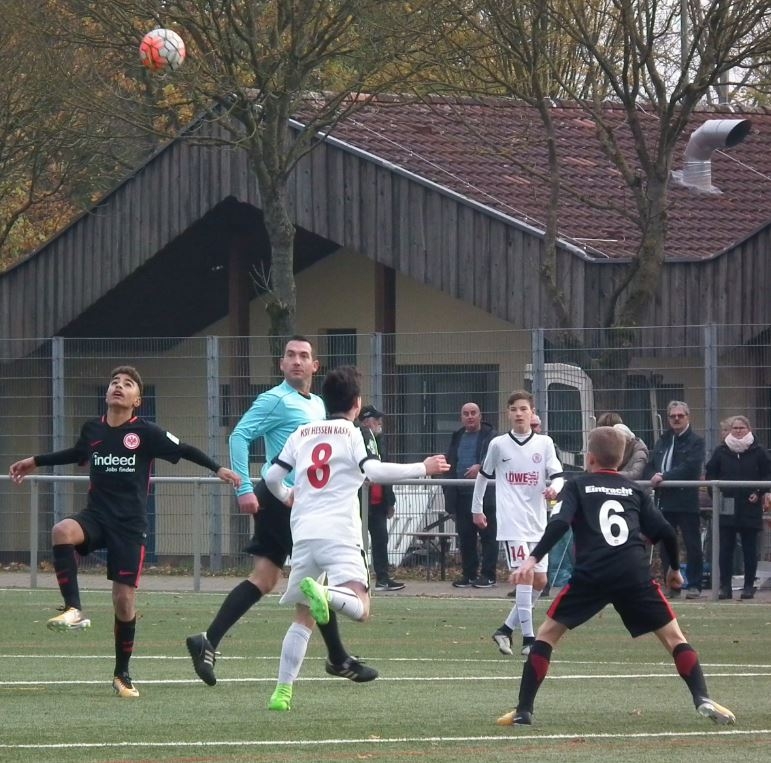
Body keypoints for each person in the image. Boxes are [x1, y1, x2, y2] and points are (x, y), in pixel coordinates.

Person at [8, 366, 241, 699]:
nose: (119, 386)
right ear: (107, 394)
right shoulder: (93, 429)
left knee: (123, 600)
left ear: (137, 400)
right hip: (96, 516)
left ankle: (122, 673)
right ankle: (73, 609)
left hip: (130, 527)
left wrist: (218, 468)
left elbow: (185, 449)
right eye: (114, 382)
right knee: (62, 531)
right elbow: (77, 453)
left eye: (128, 384)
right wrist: (35, 461)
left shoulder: (146, 433)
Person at [495, 426, 735, 727]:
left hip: (592, 574)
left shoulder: (578, 485)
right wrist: (674, 569)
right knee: (674, 638)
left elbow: (559, 524)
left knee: (546, 636)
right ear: (620, 460)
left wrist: (532, 559)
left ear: (590, 457)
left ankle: (524, 711)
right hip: (632, 572)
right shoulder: (634, 489)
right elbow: (664, 532)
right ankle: (702, 697)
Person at [185, 336, 377, 691]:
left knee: (266, 578)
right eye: (290, 355)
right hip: (284, 499)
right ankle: (338, 658)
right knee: (312, 583)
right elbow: (239, 436)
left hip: (301, 502)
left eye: (304, 356)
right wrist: (244, 487)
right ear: (281, 364)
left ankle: (207, 640)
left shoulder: (318, 404)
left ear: (315, 365)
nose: (297, 361)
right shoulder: (275, 399)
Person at [263, 366, 449, 710]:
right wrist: (423, 467)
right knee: (361, 608)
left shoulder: (302, 433)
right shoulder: (356, 432)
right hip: (339, 531)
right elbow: (374, 471)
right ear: (357, 403)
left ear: (325, 401)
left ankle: (282, 693)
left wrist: (287, 495)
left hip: (303, 531)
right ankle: (324, 593)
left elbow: (273, 477)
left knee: (303, 615)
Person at [471, 390, 564, 657]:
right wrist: (477, 509)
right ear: (508, 413)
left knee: (540, 581)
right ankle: (529, 639)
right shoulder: (498, 444)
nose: (519, 414)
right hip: (511, 521)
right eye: (514, 409)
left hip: (537, 520)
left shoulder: (544, 443)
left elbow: (558, 475)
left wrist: (555, 489)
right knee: (525, 576)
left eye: (524, 409)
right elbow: (483, 476)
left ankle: (505, 630)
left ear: (532, 412)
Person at [705, 415, 771, 600]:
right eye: (735, 428)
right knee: (726, 548)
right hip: (727, 506)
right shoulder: (721, 451)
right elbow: (711, 474)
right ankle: (725, 587)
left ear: (749, 429)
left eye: (742, 428)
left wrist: (759, 491)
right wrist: (717, 495)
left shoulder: (759, 451)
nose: (738, 431)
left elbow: (767, 475)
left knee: (750, 549)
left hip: (750, 507)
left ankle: (749, 586)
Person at [644, 401, 705, 599]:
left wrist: (664, 477)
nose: (676, 419)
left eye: (680, 415)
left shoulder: (696, 442)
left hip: (686, 501)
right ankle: (673, 585)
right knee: (666, 545)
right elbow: (651, 465)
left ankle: (694, 585)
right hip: (665, 500)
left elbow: (691, 468)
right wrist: (653, 476)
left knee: (692, 544)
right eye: (672, 416)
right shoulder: (663, 440)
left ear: (688, 417)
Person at [443, 402, 498, 588]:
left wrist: (481, 468)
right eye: (466, 413)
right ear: (461, 417)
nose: (470, 416)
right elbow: (450, 463)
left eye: (473, 413)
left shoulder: (491, 437)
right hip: (461, 495)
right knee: (466, 538)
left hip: (485, 496)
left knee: (488, 537)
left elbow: (498, 461)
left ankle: (488, 575)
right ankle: (469, 575)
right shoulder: (457, 437)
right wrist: (448, 492)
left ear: (480, 416)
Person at [358, 404, 404, 591]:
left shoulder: (380, 442)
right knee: (356, 542)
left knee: (380, 540)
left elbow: (385, 472)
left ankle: (383, 578)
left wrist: (389, 501)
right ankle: (358, 578)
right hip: (359, 503)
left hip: (378, 504)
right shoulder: (357, 440)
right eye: (376, 419)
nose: (380, 422)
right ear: (365, 422)